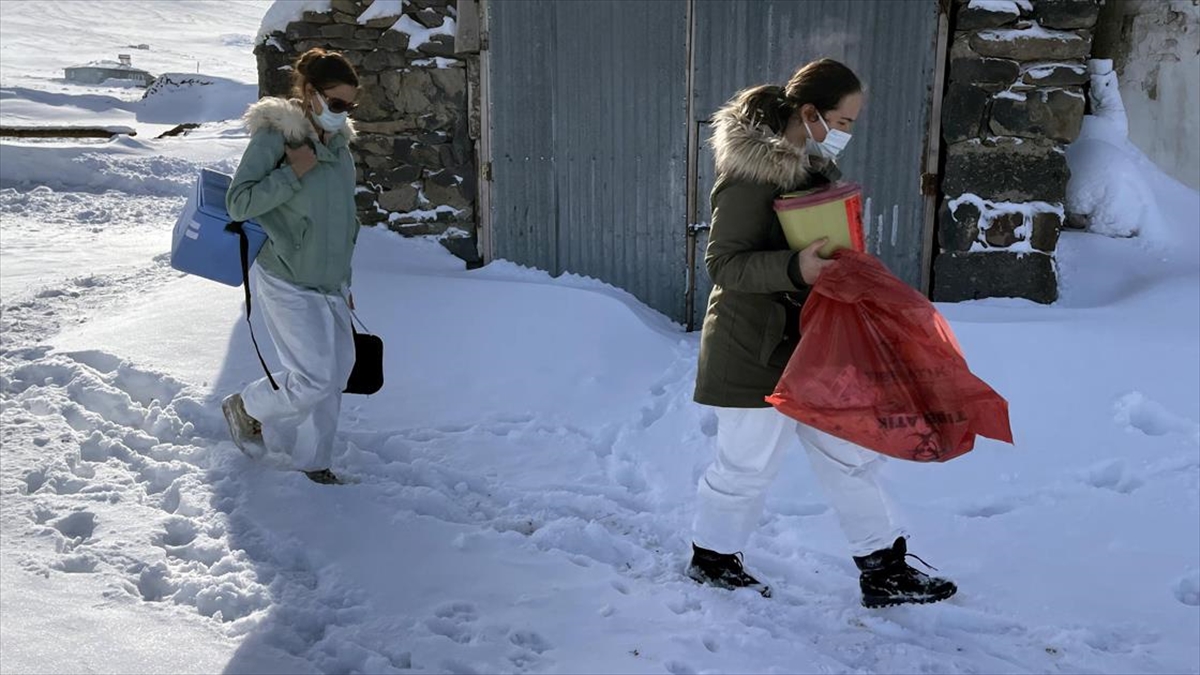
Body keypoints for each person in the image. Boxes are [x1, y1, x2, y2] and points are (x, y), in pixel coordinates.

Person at [687, 58, 957, 608]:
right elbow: (724, 264)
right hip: (751, 349)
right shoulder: (748, 174)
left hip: (815, 347)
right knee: (745, 467)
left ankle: (884, 571)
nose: (847, 133)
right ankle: (712, 561)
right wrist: (796, 269)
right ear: (809, 114)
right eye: (844, 120)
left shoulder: (813, 171)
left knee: (850, 456)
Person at [220, 48, 361, 485]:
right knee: (314, 378)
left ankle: (314, 463)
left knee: (336, 374)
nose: (343, 114)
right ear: (311, 94)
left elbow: (343, 219)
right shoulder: (276, 138)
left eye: (350, 106)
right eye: (336, 104)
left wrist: (345, 279)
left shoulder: (340, 147)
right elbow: (238, 202)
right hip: (287, 275)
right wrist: (291, 173)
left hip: (330, 282)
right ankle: (246, 406)